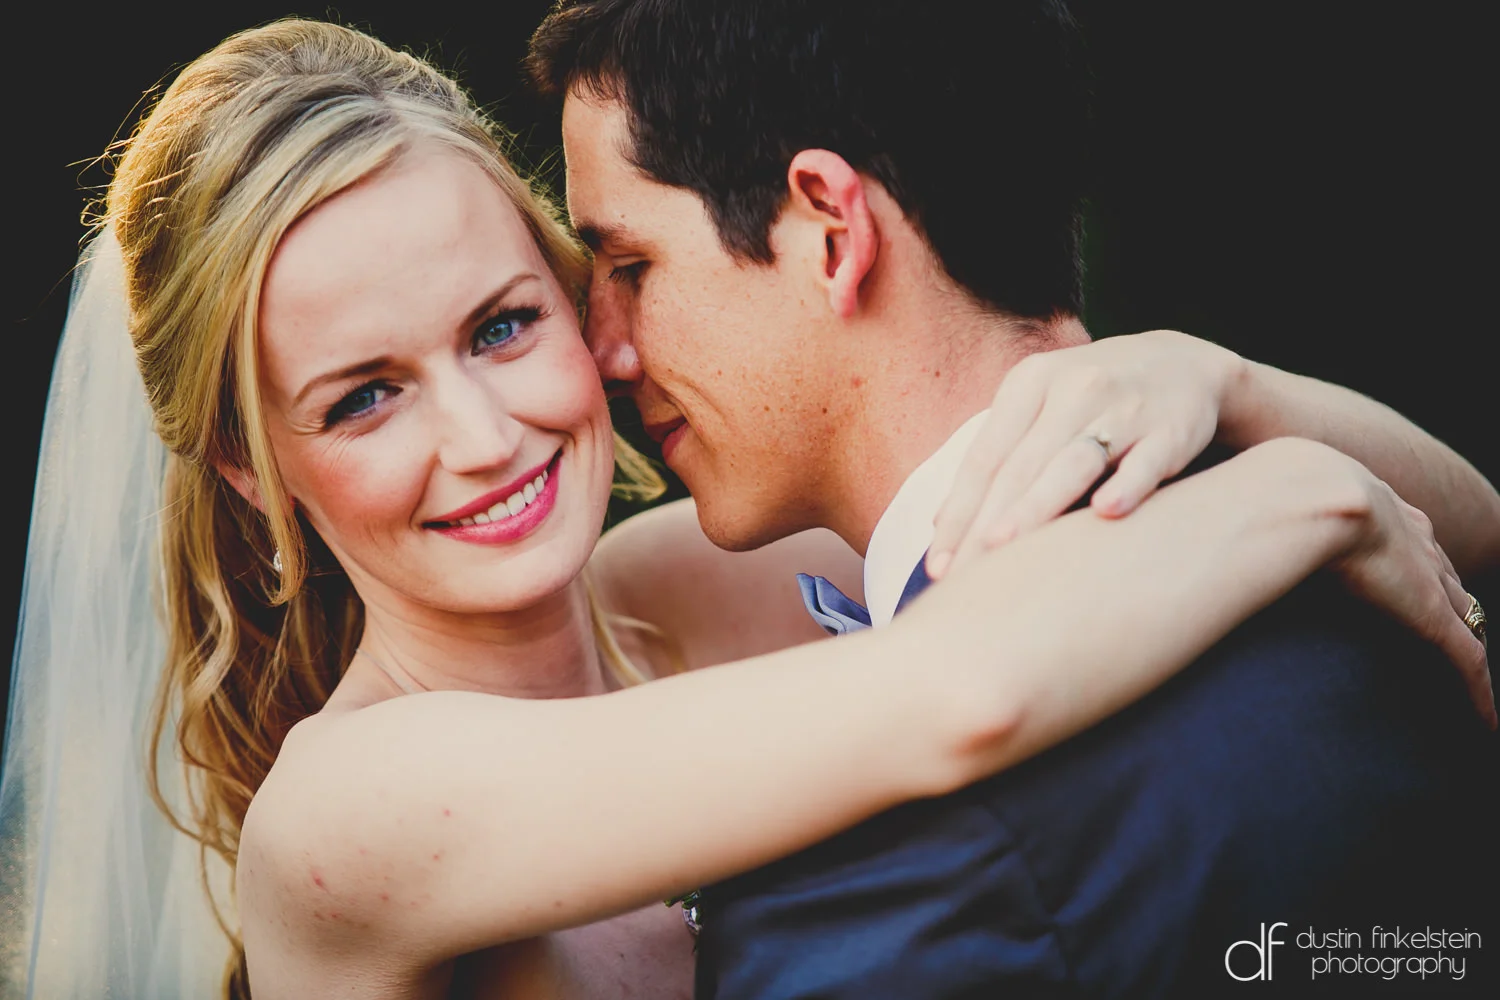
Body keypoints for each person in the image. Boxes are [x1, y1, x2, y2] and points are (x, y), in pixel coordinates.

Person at [0, 15, 1487, 1000]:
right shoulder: (346, 815)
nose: (484, 436)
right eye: (363, 398)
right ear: (253, 470)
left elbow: (1475, 528)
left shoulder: (690, 587)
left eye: (505, 326)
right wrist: (1305, 491)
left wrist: (1222, 381)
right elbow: (957, 693)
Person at [526, 0, 1500, 996]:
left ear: (832, 230)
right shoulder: (1386, 580)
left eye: (631, 267)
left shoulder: (883, 880)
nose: (604, 353)